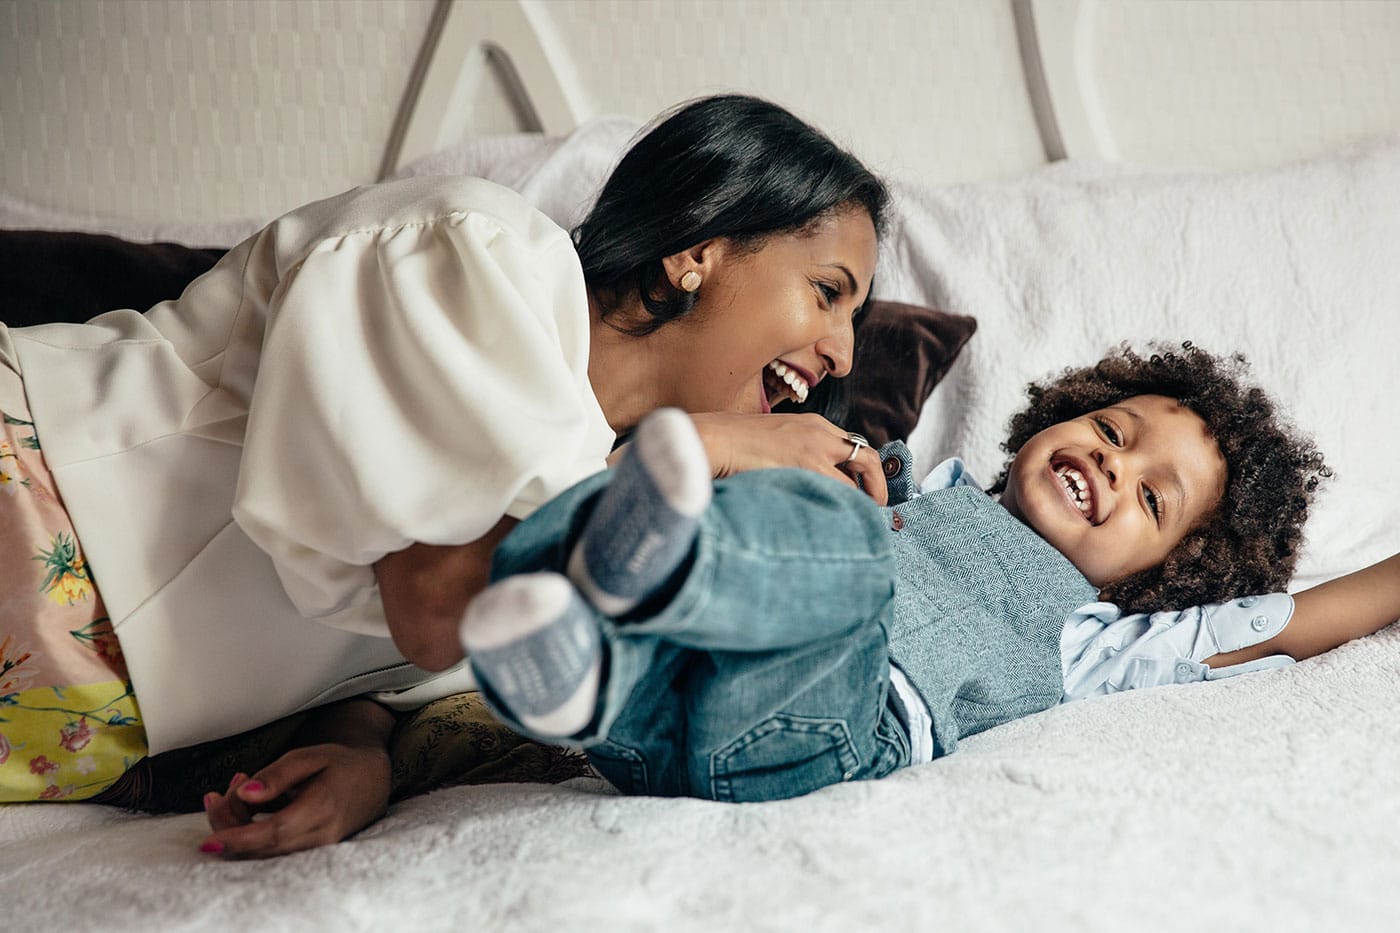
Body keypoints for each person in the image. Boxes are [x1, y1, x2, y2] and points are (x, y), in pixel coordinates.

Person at [0, 96, 895, 841]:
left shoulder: (612, 518)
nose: (845, 356)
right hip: (30, 499)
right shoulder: (476, 251)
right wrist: (705, 446)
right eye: (828, 291)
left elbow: (394, 664)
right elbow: (432, 595)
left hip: (56, 741)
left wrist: (362, 757)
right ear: (700, 245)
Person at [459, 344, 1400, 801]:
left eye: (1154, 500)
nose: (1115, 464)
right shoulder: (913, 480)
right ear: (1061, 414)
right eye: (1114, 431)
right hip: (670, 717)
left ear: (1171, 580)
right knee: (784, 517)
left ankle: (643, 573)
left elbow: (1300, 620)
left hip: (828, 726)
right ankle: (573, 672)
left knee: (849, 556)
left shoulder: (1104, 640)